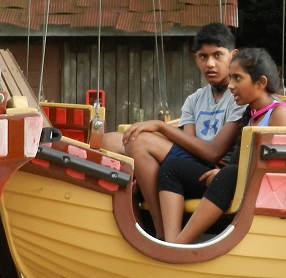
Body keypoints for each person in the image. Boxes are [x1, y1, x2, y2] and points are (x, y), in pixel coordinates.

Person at [101, 23, 247, 239]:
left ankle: (160, 235)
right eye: (203, 57)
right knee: (110, 141)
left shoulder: (238, 96)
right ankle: (136, 224)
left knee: (138, 142)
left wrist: (161, 127)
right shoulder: (194, 100)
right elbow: (188, 147)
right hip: (192, 164)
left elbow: (213, 153)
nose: (211, 64)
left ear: (233, 56)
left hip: (217, 172)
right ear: (195, 58)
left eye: (218, 55)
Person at [159, 48, 286, 245]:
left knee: (228, 174)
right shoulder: (250, 115)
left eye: (237, 78)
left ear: (260, 83)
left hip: (269, 191)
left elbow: (282, 168)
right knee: (173, 167)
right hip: (241, 183)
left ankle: (180, 246)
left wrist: (231, 174)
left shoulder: (280, 115)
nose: (231, 85)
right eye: (231, 78)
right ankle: (168, 240)